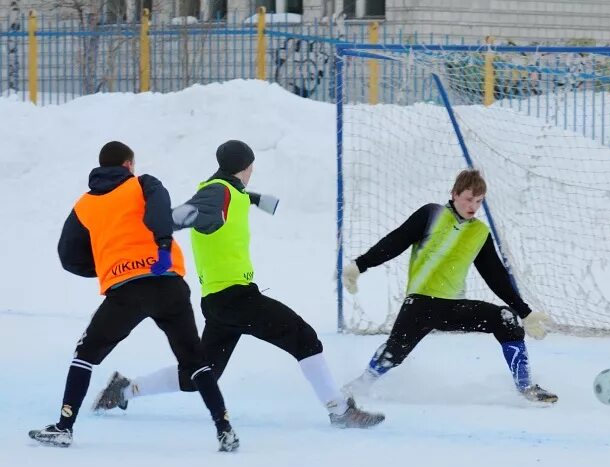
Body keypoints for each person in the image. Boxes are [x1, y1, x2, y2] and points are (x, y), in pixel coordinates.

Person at [93, 140, 385, 429]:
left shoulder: (228, 190)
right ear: (248, 166)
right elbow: (183, 214)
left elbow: (234, 195)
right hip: (236, 298)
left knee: (200, 374)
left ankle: (124, 389)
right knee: (304, 338)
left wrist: (256, 199)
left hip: (219, 301)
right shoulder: (216, 193)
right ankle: (338, 410)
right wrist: (165, 224)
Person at [29, 141, 239, 451]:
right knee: (194, 358)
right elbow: (159, 211)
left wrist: (108, 266)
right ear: (128, 165)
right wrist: (164, 244)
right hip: (168, 283)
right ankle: (224, 428)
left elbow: (68, 255)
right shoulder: (142, 184)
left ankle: (64, 426)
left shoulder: (84, 205)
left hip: (127, 291)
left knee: (86, 354)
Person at [341, 169, 558, 403]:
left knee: (506, 320)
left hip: (452, 308)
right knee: (395, 352)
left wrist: (524, 312)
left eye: (479, 201)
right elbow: (396, 241)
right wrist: (360, 265)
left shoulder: (479, 232)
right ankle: (357, 387)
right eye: (468, 199)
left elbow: (495, 275)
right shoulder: (431, 214)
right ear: (454, 194)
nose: (473, 206)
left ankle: (526, 388)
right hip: (420, 304)